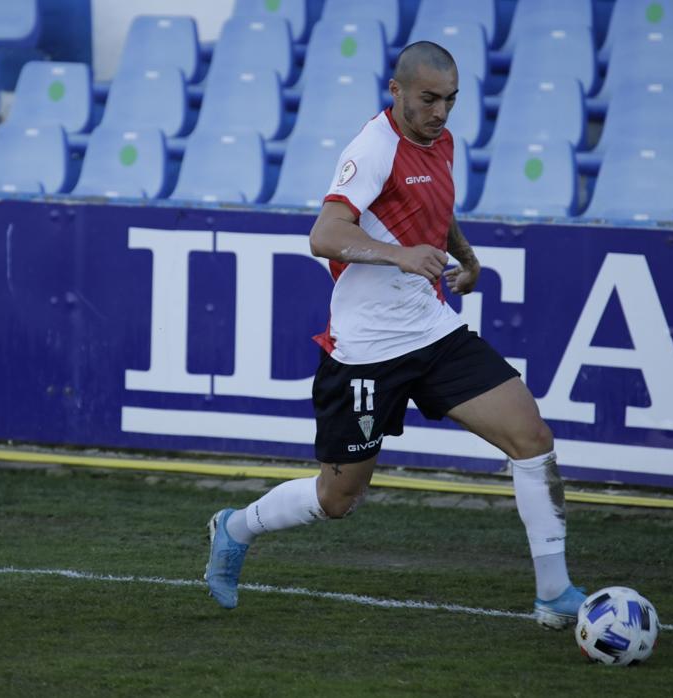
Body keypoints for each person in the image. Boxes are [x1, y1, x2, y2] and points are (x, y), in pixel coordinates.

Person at [204, 41, 585, 629]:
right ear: (397, 91)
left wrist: (466, 256)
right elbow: (324, 235)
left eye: (450, 100)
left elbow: (435, 206)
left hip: (433, 332)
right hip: (366, 352)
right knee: (338, 500)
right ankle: (234, 527)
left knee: (531, 436)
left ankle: (554, 594)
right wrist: (398, 256)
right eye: (429, 99)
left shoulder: (443, 141)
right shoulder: (373, 148)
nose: (440, 112)